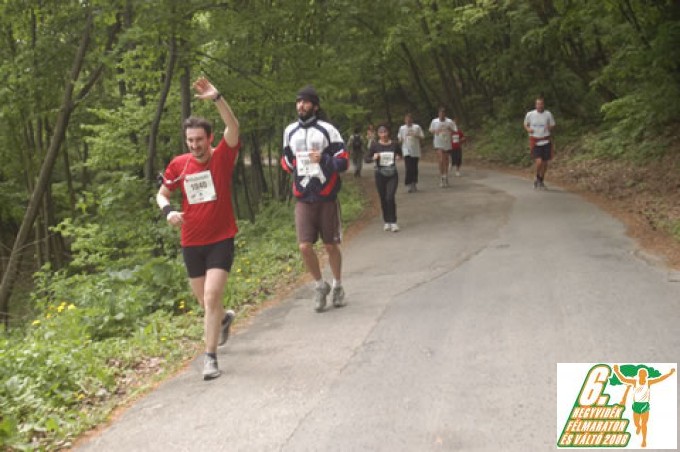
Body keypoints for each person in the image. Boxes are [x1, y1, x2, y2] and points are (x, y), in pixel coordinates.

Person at [156, 77, 239, 381]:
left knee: (212, 295)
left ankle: (210, 358)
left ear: (209, 138)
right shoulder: (179, 165)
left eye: (199, 140)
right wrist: (168, 211)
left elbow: (234, 127)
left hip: (221, 238)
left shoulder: (223, 157)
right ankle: (223, 320)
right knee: (206, 303)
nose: (194, 145)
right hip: (191, 241)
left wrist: (217, 98)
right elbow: (162, 194)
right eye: (190, 141)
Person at [281, 86, 349, 312]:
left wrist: (324, 159)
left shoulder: (328, 130)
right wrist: (293, 165)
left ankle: (338, 285)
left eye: (306, 102)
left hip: (326, 196)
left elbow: (343, 162)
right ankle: (320, 285)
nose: (301, 105)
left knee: (330, 245)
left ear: (315, 106)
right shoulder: (289, 131)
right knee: (304, 247)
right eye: (298, 101)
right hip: (303, 196)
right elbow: (285, 160)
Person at [612, 365, 675, 448]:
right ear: (639, 375)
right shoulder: (635, 382)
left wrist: (670, 373)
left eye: (644, 374)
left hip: (645, 405)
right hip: (636, 405)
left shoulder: (648, 382)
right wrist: (617, 371)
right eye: (641, 374)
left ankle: (644, 440)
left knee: (644, 424)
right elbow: (623, 379)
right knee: (636, 423)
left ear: (646, 375)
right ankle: (638, 427)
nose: (642, 375)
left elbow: (660, 379)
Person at [369, 124, 402, 231]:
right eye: (381, 132)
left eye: (385, 132)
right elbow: (366, 158)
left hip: (392, 174)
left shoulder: (394, 144)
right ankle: (387, 221)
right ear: (378, 134)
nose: (383, 135)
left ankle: (393, 221)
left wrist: (398, 157)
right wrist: (373, 157)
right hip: (380, 174)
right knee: (383, 198)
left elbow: (400, 154)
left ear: (388, 132)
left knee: (390, 197)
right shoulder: (375, 145)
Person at [524, 96, 555, 189]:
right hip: (535, 140)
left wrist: (549, 127)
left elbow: (553, 124)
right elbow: (525, 124)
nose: (539, 106)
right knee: (539, 162)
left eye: (541, 104)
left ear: (543, 105)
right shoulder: (530, 114)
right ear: (535, 105)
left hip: (546, 140)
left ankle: (541, 180)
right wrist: (528, 129)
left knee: (545, 163)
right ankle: (537, 176)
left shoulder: (548, 114)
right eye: (538, 104)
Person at [429, 107, 457, 187]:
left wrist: (450, 129)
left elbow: (455, 130)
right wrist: (435, 131)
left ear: (445, 114)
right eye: (440, 114)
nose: (441, 115)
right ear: (438, 114)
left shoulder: (449, 121)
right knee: (441, 159)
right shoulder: (434, 121)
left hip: (447, 143)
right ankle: (441, 177)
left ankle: (446, 176)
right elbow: (430, 130)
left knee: (446, 160)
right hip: (438, 143)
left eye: (443, 114)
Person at [397, 113, 424, 193]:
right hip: (406, 150)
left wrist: (416, 135)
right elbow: (399, 138)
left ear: (412, 120)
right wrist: (401, 140)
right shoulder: (402, 128)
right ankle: (409, 183)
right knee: (408, 167)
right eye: (407, 120)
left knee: (414, 167)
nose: (408, 121)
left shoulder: (417, 127)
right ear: (404, 121)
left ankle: (414, 183)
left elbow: (422, 137)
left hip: (415, 150)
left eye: (409, 120)